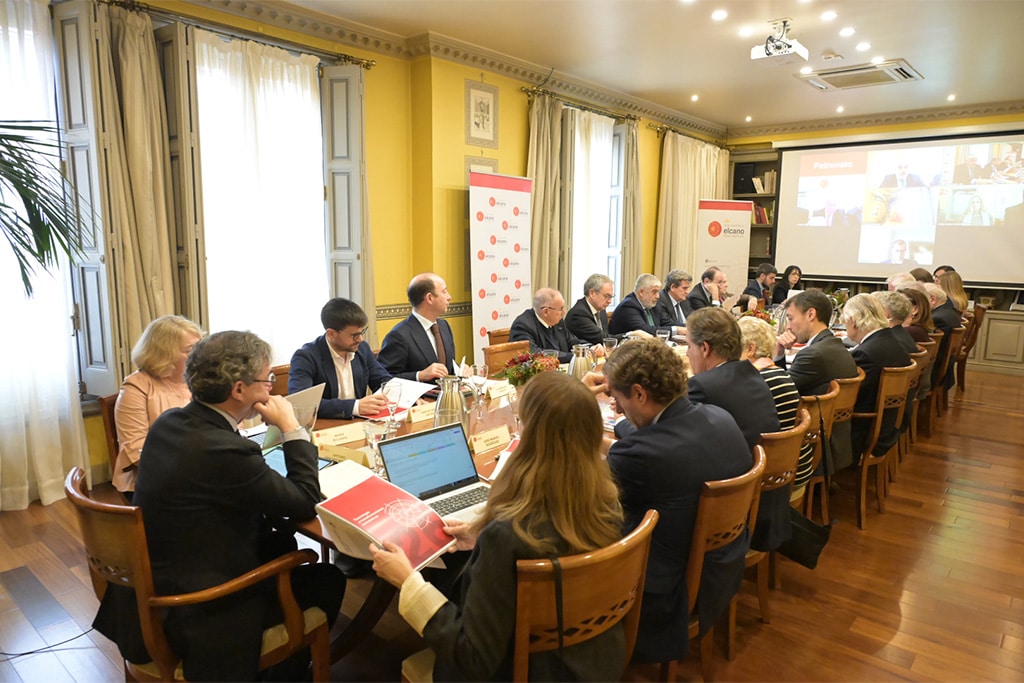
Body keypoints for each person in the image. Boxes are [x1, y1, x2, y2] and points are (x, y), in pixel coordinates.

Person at [369, 371, 627, 681]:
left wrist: (409, 582)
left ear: (528, 433)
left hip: (528, 670)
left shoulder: (505, 536)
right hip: (596, 659)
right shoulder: (607, 502)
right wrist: (479, 536)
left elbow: (473, 659)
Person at [127, 331, 347, 681]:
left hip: (155, 583)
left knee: (281, 543)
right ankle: (282, 673)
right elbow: (305, 503)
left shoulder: (170, 423)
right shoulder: (224, 449)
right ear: (239, 390)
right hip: (205, 606)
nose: (272, 389)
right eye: (267, 380)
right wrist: (291, 428)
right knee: (328, 578)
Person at [603, 339, 751, 665]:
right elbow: (653, 435)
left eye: (617, 398)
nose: (616, 408)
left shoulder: (637, 456)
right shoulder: (719, 417)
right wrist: (622, 429)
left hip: (662, 591)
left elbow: (589, 506)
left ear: (640, 394)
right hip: (724, 565)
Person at [684, 308, 786, 553]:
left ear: (705, 348)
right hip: (763, 495)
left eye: (688, 346)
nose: (687, 353)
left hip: (732, 508)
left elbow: (671, 434)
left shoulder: (703, 385)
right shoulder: (749, 372)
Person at [112, 315, 203, 499]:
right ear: (165, 353)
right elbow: (136, 451)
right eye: (191, 350)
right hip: (154, 482)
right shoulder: (136, 387)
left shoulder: (201, 380)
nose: (200, 356)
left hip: (202, 470)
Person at [774, 289, 859, 471]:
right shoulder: (833, 345)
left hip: (815, 446)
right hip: (837, 438)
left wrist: (776, 355)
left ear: (811, 314)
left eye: (790, 318)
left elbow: (779, 392)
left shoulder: (813, 355)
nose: (788, 326)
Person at [290, 297, 392, 419]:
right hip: (326, 428)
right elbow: (302, 403)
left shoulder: (362, 348)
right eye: (354, 335)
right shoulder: (306, 357)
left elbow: (382, 380)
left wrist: (409, 396)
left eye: (362, 332)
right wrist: (354, 406)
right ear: (331, 334)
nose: (360, 339)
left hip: (360, 424)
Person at [737, 316, 808, 490]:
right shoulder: (781, 374)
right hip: (797, 467)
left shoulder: (756, 383)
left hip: (775, 478)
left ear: (750, 349)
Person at [843, 295, 913, 461]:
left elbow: (850, 398)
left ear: (853, 320)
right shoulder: (893, 342)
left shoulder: (866, 353)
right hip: (888, 427)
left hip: (866, 433)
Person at [378, 273, 456, 382]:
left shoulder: (444, 326)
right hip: (421, 398)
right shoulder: (399, 336)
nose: (449, 297)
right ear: (430, 298)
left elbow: (447, 368)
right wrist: (419, 375)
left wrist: (460, 370)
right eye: (444, 291)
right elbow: (384, 378)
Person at [509, 287, 589, 363]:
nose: (564, 312)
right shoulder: (523, 325)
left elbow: (572, 341)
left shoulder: (557, 322)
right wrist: (574, 356)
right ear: (546, 312)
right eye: (560, 309)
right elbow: (536, 354)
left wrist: (589, 348)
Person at [565, 273, 643, 344]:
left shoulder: (601, 310)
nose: (610, 301)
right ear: (592, 293)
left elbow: (606, 336)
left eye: (611, 297)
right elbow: (602, 339)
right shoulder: (578, 314)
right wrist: (630, 334)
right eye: (607, 296)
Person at [924, 283, 961, 391]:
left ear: (932, 299)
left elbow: (933, 352)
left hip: (934, 372)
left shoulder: (938, 319)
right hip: (945, 369)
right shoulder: (949, 312)